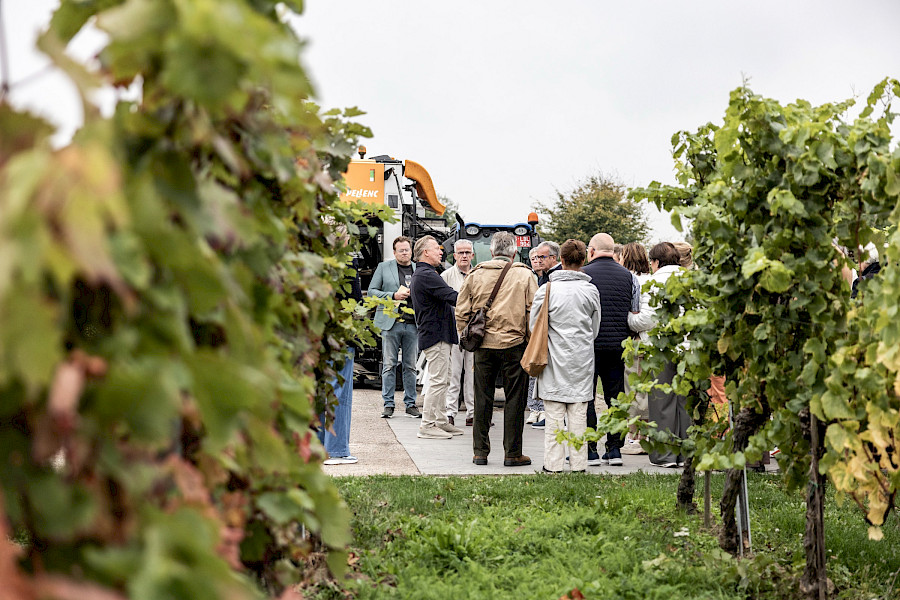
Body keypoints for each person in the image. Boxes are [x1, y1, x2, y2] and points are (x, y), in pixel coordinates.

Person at [456, 231, 537, 467]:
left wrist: (469, 336)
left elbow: (461, 312)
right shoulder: (524, 275)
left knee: (482, 398)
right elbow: (532, 311)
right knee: (515, 400)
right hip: (515, 344)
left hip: (483, 345)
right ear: (513, 253)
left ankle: (480, 452)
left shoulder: (475, 274)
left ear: (491, 252)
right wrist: (530, 340)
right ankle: (512, 453)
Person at [531, 240, 602, 473]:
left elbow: (534, 327)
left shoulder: (547, 290)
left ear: (560, 260)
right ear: (583, 260)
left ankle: (553, 464)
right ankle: (579, 463)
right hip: (582, 359)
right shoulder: (590, 290)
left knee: (553, 414)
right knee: (579, 413)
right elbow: (595, 328)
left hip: (552, 358)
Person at [582, 233, 641, 466]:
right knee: (615, 398)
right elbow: (634, 313)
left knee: (586, 397)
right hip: (618, 345)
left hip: (589, 346)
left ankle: (589, 449)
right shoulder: (629, 277)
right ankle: (615, 448)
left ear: (592, 250)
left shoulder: (583, 275)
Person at [628, 242, 690, 468]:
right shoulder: (689, 279)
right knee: (684, 402)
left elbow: (647, 318)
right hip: (688, 348)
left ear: (655, 262)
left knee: (662, 402)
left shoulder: (654, 283)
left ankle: (665, 455)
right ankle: (685, 453)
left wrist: (630, 320)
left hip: (660, 348)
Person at [409, 236, 464, 440]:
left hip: (440, 334)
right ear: (425, 252)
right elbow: (453, 296)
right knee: (438, 380)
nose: (441, 252)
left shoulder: (427, 273)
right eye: (437, 249)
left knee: (444, 379)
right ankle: (427, 424)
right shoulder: (426, 275)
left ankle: (440, 421)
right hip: (436, 335)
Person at [368, 236, 422, 419]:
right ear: (394, 252)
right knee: (389, 365)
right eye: (401, 250)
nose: (405, 253)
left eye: (407, 250)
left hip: (413, 324)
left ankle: (410, 404)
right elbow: (372, 292)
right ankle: (388, 404)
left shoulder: (418, 269)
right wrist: (392, 296)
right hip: (391, 324)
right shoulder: (384, 268)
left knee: (411, 366)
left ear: (411, 251)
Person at [319, 255, 362, 464]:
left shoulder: (312, 261)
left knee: (319, 391)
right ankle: (336, 450)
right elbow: (354, 302)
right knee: (339, 393)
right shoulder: (347, 264)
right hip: (340, 336)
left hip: (316, 334)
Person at [619, 242, 652, 456]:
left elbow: (642, 317)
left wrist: (626, 318)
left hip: (637, 340)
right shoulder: (650, 280)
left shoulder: (633, 280)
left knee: (635, 391)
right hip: (649, 343)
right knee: (646, 389)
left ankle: (636, 437)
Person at [441, 240, 476, 426]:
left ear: (472, 255)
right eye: (460, 252)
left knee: (472, 374)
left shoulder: (479, 274)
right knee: (453, 373)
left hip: (474, 331)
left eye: (467, 252)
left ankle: (472, 413)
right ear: (454, 255)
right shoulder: (446, 276)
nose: (464, 255)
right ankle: (450, 412)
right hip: (454, 329)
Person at [526, 247, 545, 426]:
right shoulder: (528, 278)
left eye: (540, 257)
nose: (537, 261)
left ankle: (543, 409)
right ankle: (534, 408)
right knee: (532, 371)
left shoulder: (550, 278)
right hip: (531, 330)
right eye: (533, 258)